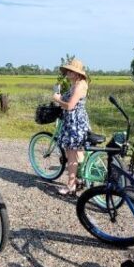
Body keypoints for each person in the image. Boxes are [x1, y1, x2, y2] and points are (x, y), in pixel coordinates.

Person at [52, 57, 90, 195]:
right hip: (73, 121)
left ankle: (70, 185)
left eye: (70, 71)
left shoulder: (79, 86)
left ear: (77, 73)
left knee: (72, 154)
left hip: (75, 123)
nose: (67, 73)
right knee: (76, 153)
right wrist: (60, 96)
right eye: (67, 71)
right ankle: (79, 179)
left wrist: (57, 99)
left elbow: (70, 106)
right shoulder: (76, 84)